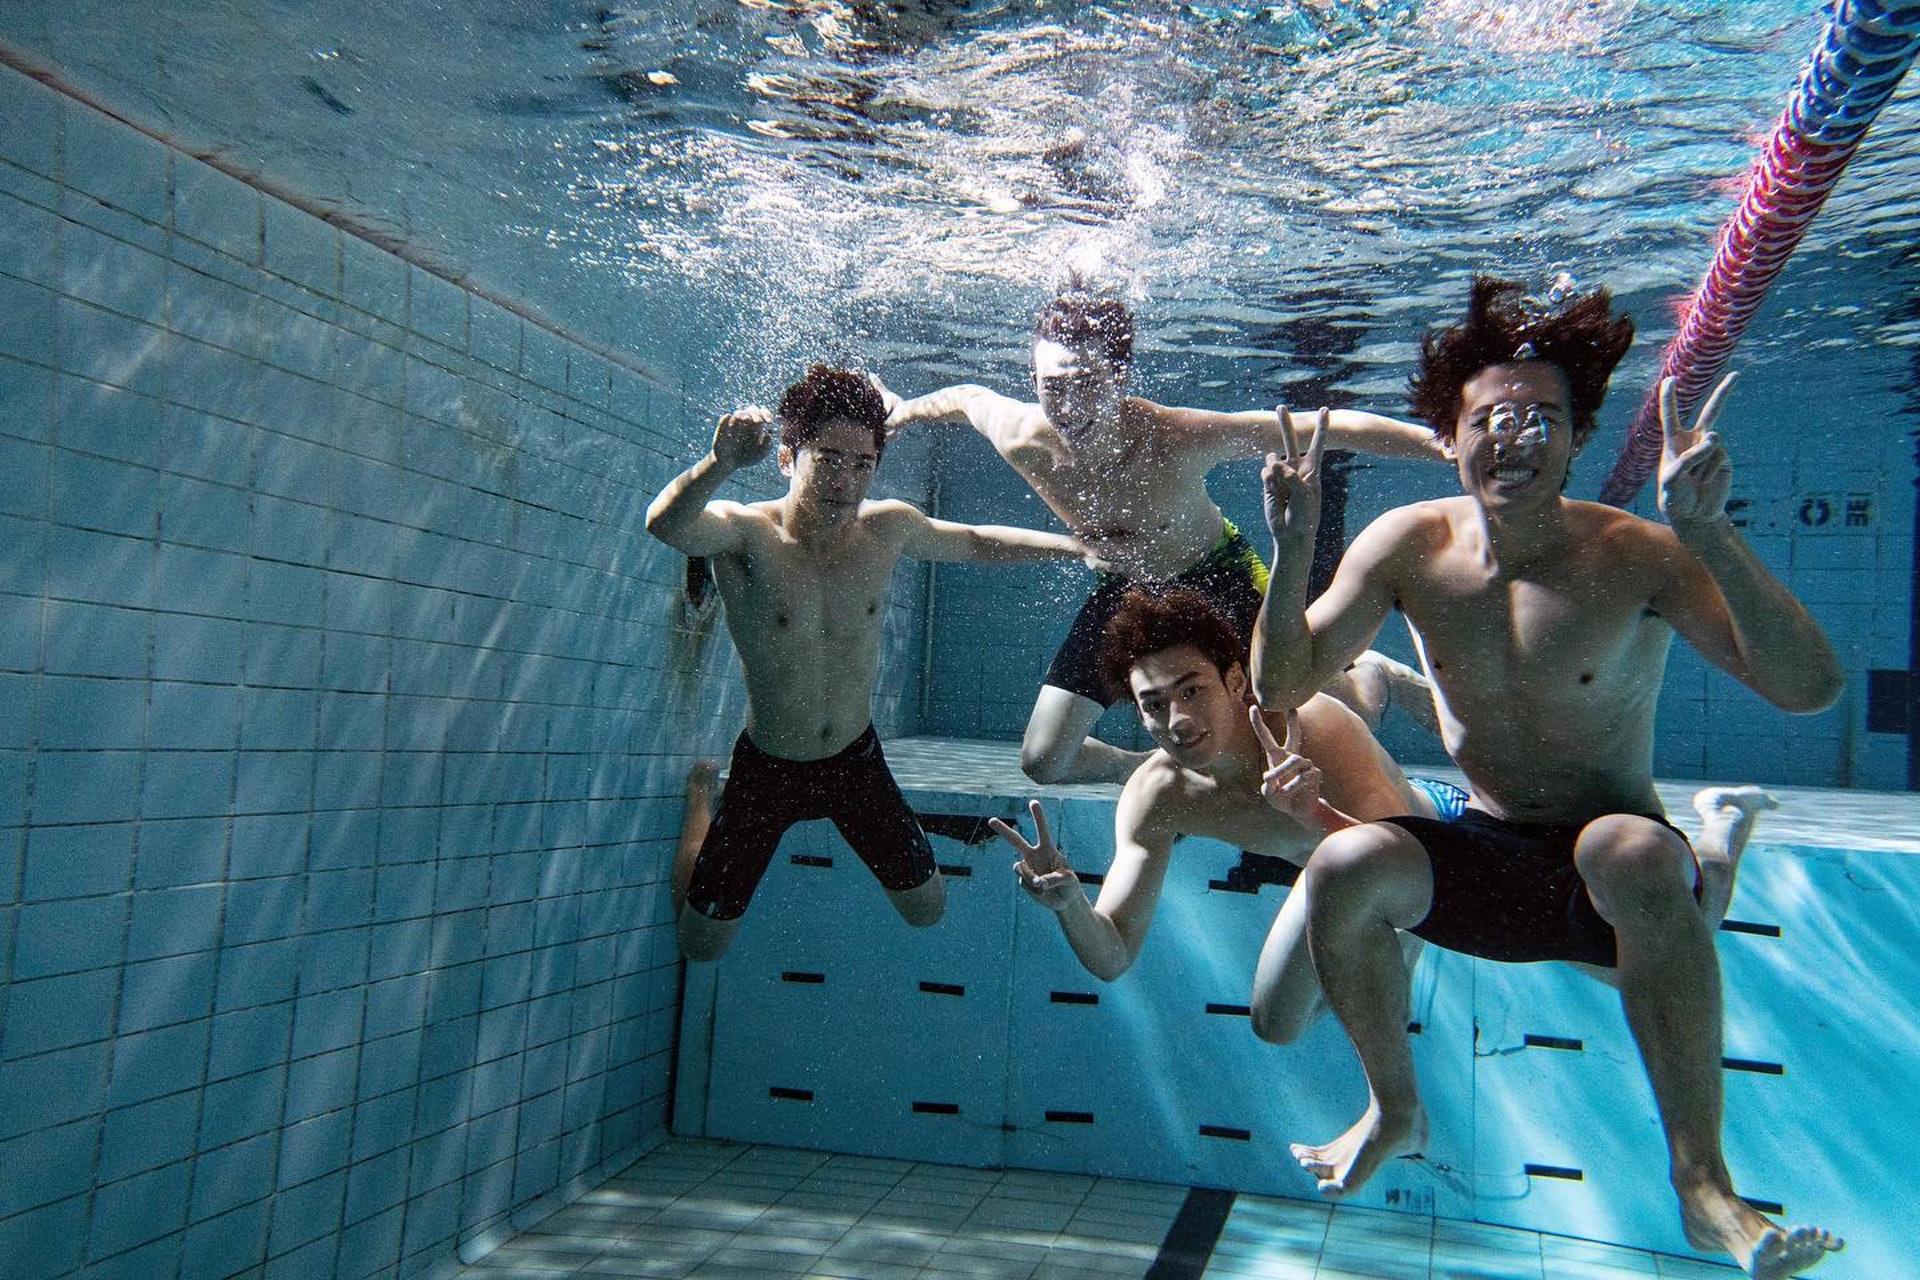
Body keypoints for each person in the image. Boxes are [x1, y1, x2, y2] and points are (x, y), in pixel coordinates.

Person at [1251, 277, 1844, 1277]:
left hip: (1611, 875)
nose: (1514, 436)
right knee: (1344, 865)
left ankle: (1704, 1184)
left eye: (1542, 419)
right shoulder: (1410, 547)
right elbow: (1279, 684)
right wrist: (1293, 544)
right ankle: (1394, 1110)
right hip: (1489, 855)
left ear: (1576, 442)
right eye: (1490, 417)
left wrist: (1710, 533)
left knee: (1629, 851)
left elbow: (1811, 689)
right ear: (1450, 437)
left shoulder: (1638, 554)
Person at [988, 587, 1777, 1048]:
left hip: (1427, 837)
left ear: (1235, 680)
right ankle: (1376, 680)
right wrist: (1069, 904)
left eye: (1191, 690)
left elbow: (1401, 861)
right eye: (1153, 705)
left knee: (1647, 959)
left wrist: (1314, 817)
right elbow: (1112, 954)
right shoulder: (1156, 796)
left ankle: (1721, 829)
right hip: (1331, 864)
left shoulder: (1313, 729)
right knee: (1275, 1025)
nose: (1177, 720)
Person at [881, 290, 1446, 784]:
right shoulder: (1018, 433)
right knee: (1044, 760)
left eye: (1089, 384)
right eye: (1054, 386)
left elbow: (1330, 426)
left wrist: (1446, 444)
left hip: (1217, 575)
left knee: (1339, 713)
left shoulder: (1173, 436)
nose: (1070, 406)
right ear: (1034, 382)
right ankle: (1145, 769)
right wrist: (904, 412)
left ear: (1120, 379)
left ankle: (1374, 673)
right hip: (1127, 588)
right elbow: (964, 399)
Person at [645, 364, 1098, 961]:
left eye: (863, 464)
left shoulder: (887, 529)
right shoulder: (746, 532)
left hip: (853, 761)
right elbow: (667, 524)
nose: (846, 479)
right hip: (768, 766)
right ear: (787, 458)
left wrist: (1076, 546)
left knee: (928, 910)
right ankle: (702, 801)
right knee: (700, 947)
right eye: (829, 458)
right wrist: (720, 462)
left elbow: (974, 542)